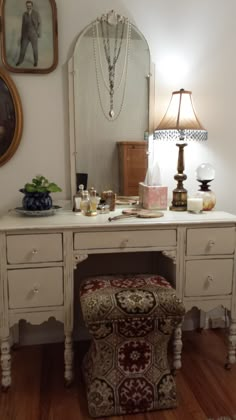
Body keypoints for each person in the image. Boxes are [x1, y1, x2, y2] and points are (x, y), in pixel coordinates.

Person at [16, 1, 41, 67]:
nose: (28, 7)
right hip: (25, 35)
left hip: (33, 34)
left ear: (32, 6)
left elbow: (39, 24)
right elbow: (23, 26)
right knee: (22, 48)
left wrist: (38, 32)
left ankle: (36, 62)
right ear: (26, 6)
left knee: (35, 49)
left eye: (30, 5)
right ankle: (20, 61)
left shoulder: (36, 13)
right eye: (27, 6)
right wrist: (22, 36)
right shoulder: (24, 14)